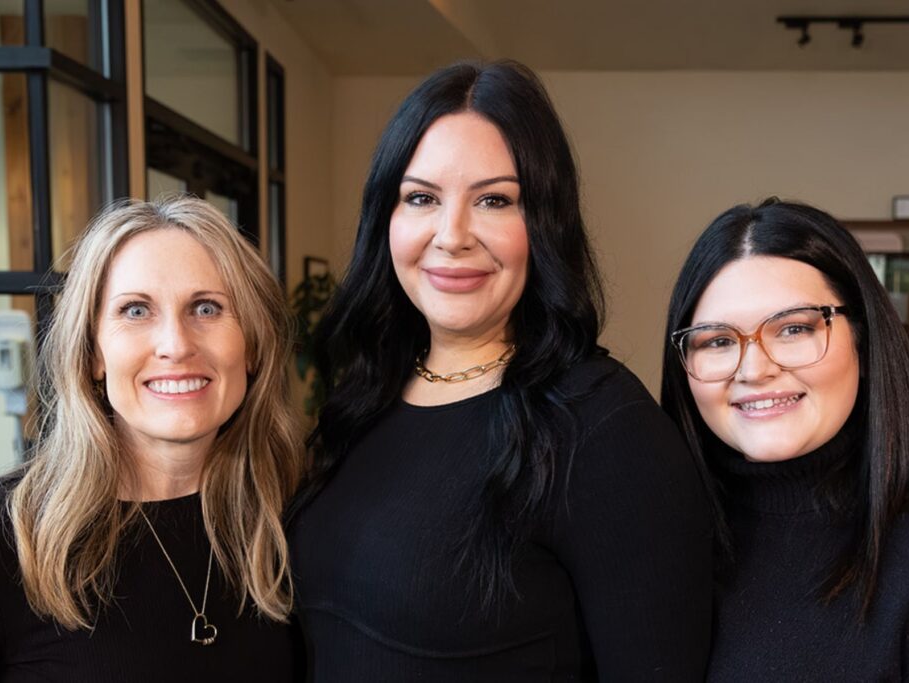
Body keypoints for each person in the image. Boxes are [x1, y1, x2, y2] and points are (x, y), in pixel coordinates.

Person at [288, 60, 712, 681]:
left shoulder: (605, 429)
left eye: (494, 200)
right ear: (386, 218)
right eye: (422, 198)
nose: (452, 235)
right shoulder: (365, 395)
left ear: (543, 222)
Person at [0, 197, 306, 681]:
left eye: (206, 308)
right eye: (136, 310)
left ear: (252, 344)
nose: (176, 345)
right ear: (93, 354)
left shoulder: (293, 514)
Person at [660, 199, 909, 681]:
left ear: (863, 340)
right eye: (718, 340)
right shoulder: (659, 537)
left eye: (794, 328)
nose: (754, 369)